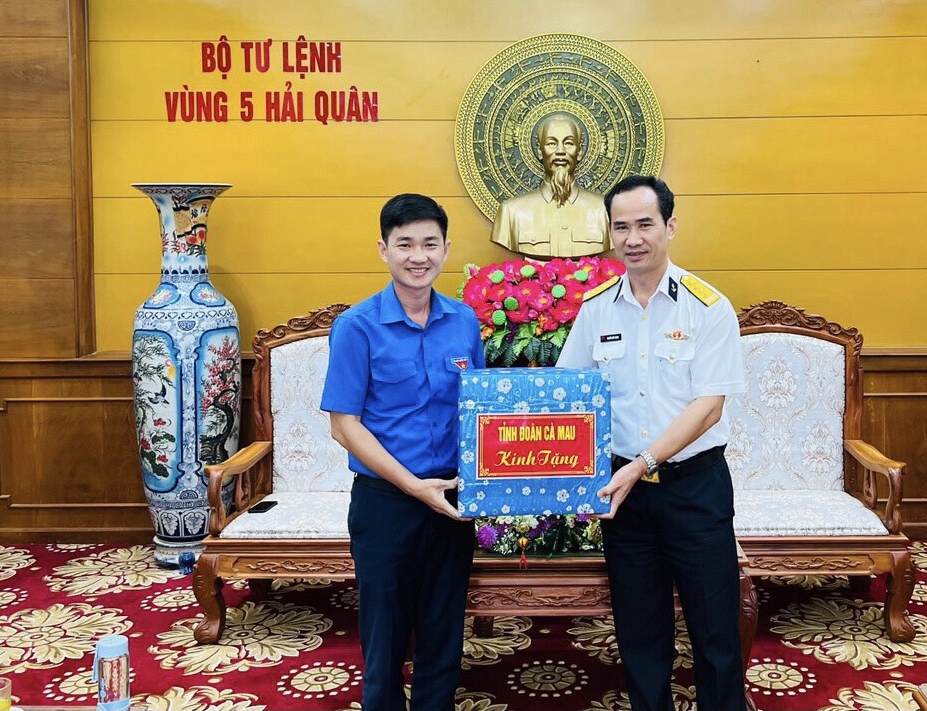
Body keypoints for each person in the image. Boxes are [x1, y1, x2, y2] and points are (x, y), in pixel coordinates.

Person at [556, 176, 747, 711]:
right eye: (621, 227)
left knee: (715, 631)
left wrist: (643, 462)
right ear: (610, 233)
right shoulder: (596, 309)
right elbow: (568, 395)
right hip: (625, 496)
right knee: (639, 631)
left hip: (694, 489)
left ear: (670, 226)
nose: (633, 238)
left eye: (645, 224)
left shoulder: (707, 307)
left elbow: (709, 406)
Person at [320, 193, 485, 711]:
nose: (419, 256)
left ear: (446, 249)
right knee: (385, 633)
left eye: (430, 244)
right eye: (405, 244)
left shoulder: (465, 322)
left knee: (443, 628)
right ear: (384, 250)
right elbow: (344, 426)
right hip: (387, 501)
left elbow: (480, 412)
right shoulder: (357, 327)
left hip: (452, 498)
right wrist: (413, 486)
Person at [490, 112, 611, 258]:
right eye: (551, 143)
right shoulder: (511, 212)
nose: (560, 151)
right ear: (540, 151)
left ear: (579, 151)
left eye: (568, 143)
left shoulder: (604, 210)